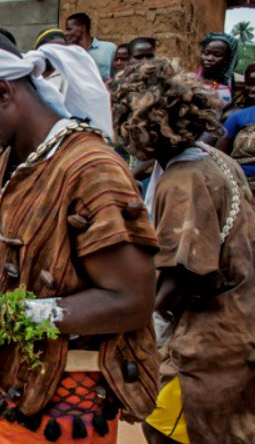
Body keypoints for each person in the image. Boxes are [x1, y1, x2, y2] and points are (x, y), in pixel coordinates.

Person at [0, 28, 160, 443]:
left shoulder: (91, 169)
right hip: (9, 382)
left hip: (67, 401)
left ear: (3, 91)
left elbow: (131, 302)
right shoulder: (4, 158)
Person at [111, 58, 255, 444]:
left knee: (164, 429)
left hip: (207, 343)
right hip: (240, 326)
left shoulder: (183, 180)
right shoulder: (214, 159)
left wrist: (127, 322)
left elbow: (181, 274)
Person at [65, 12, 117, 80]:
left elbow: (118, 76)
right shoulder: (70, 53)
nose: (66, 33)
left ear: (83, 28)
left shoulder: (109, 49)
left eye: (69, 29)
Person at [197, 32, 238, 112]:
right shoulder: (191, 80)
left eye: (217, 55)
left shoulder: (229, 81)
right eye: (206, 53)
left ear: (227, 59)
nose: (209, 58)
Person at [34, 28, 68, 92]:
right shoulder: (30, 75)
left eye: (61, 49)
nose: (57, 53)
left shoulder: (67, 77)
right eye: (53, 49)